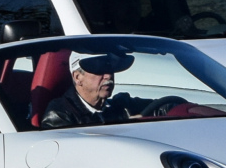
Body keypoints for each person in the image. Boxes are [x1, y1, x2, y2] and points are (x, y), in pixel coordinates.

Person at [40, 51, 183, 129]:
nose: (108, 75)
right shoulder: (59, 114)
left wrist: (188, 110)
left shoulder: (121, 105)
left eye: (110, 68)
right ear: (78, 78)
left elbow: (163, 107)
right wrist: (121, 126)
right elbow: (74, 152)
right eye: (98, 69)